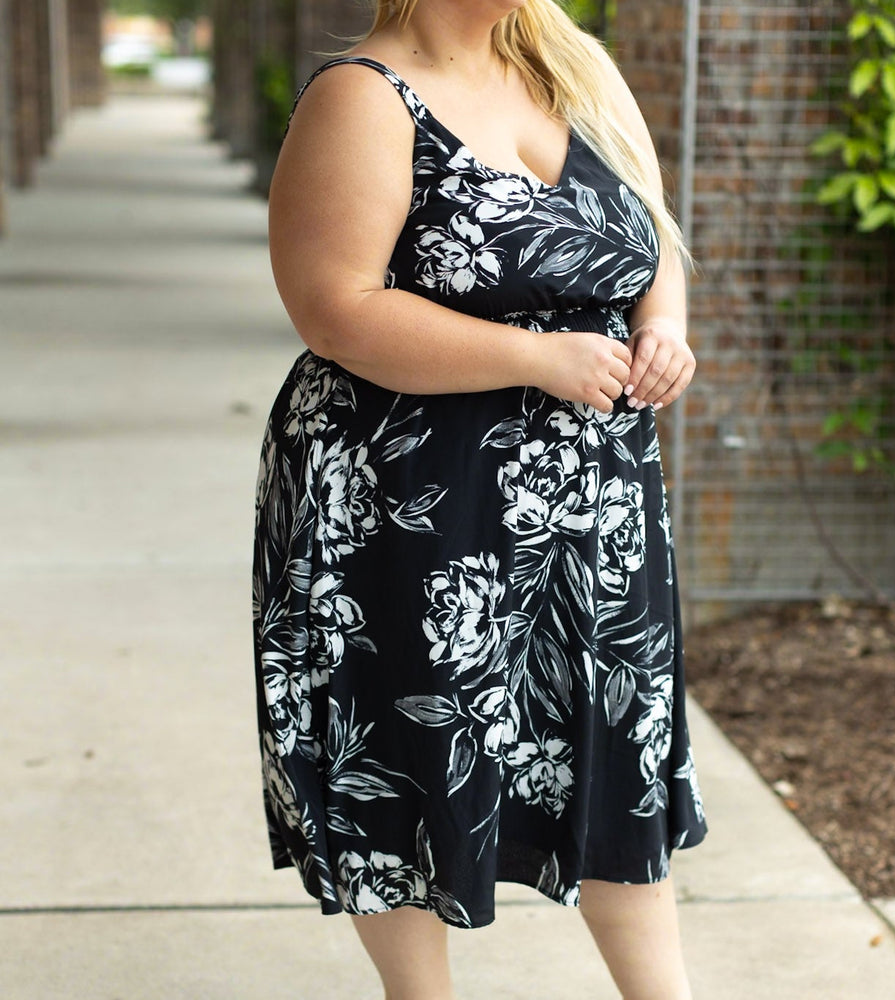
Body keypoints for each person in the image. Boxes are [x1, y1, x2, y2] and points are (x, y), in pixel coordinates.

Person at [253, 1, 707, 997]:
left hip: (596, 501)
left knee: (613, 754)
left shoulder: (574, 67)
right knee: (412, 755)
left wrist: (662, 324)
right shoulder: (362, 98)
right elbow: (336, 308)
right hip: (407, 497)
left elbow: (650, 240)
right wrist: (535, 357)